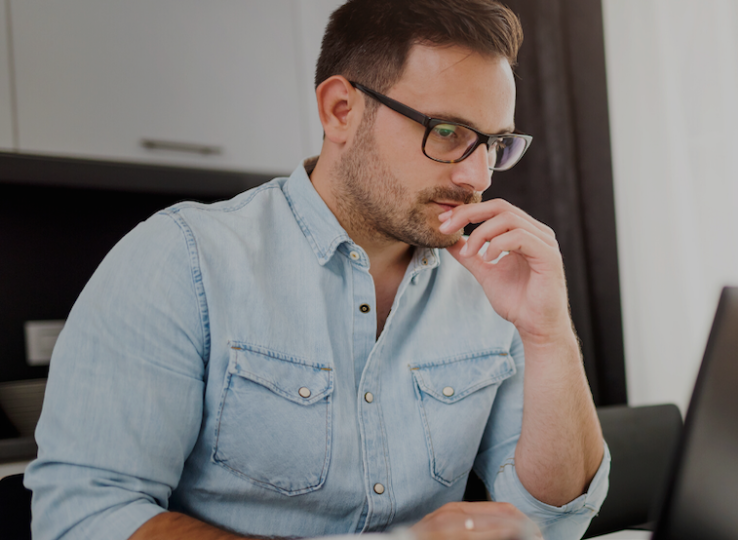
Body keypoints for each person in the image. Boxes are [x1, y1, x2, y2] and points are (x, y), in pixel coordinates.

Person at [24, 1, 609, 539]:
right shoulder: (181, 260)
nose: (477, 177)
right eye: (449, 133)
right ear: (341, 111)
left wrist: (548, 332)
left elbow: (550, 522)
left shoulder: (490, 287)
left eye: (494, 143)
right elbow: (84, 516)